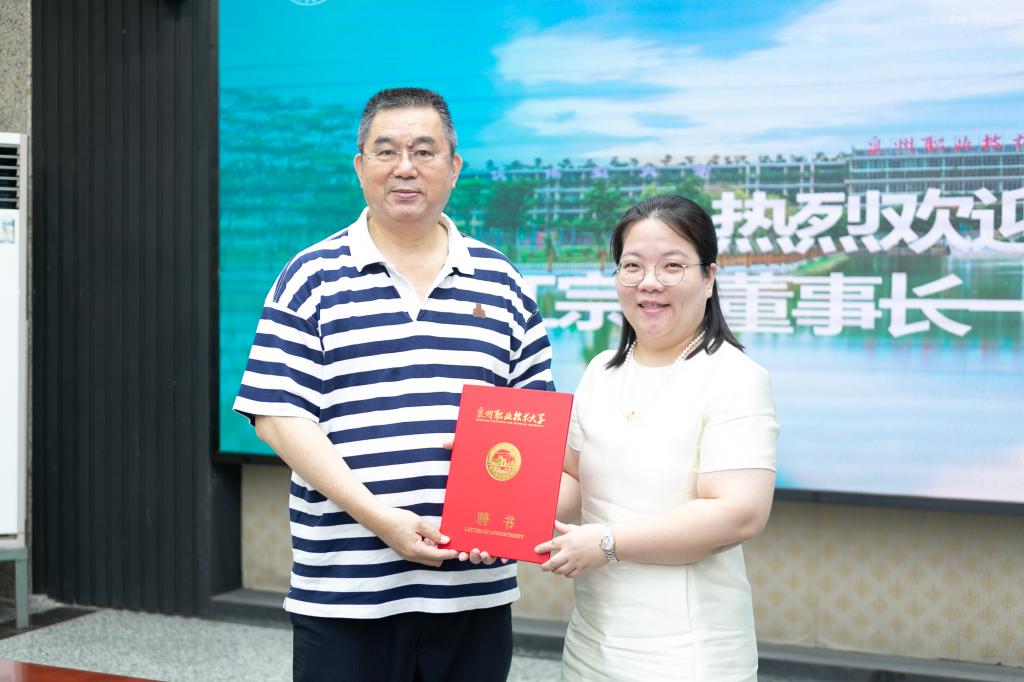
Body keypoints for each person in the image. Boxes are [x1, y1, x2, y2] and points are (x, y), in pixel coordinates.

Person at [233, 87, 554, 682]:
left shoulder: (504, 283)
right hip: (345, 592)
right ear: (360, 167)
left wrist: (504, 519)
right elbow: (278, 416)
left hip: (473, 591)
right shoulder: (310, 277)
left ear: (453, 168)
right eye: (386, 151)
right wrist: (380, 517)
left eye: (424, 151)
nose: (405, 167)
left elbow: (531, 426)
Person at [535, 194, 779, 681]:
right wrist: (494, 497)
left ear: (709, 278)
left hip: (688, 652)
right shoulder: (601, 371)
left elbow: (739, 514)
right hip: (592, 641)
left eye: (672, 266)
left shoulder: (734, 377)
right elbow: (576, 480)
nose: (649, 282)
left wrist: (608, 542)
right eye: (632, 266)